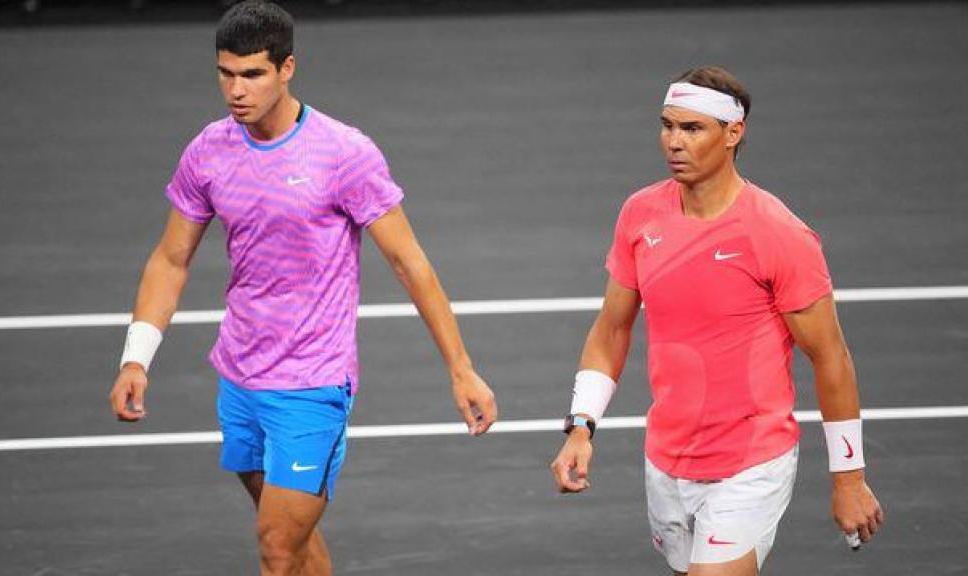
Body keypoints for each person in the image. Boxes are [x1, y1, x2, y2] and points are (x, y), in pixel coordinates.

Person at [107, 2, 498, 574]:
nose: (236, 90)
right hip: (238, 375)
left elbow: (410, 263)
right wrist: (135, 358)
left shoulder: (344, 154)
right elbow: (170, 260)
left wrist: (461, 368)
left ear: (287, 68)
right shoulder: (208, 150)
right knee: (291, 540)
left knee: (276, 547)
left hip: (312, 384)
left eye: (253, 74)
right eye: (226, 73)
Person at [550, 66, 883, 576]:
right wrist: (580, 428)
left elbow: (830, 356)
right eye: (667, 125)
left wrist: (849, 478)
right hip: (667, 458)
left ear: (733, 132)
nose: (673, 142)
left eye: (693, 129)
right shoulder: (640, 214)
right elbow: (612, 328)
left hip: (752, 460)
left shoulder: (778, 233)